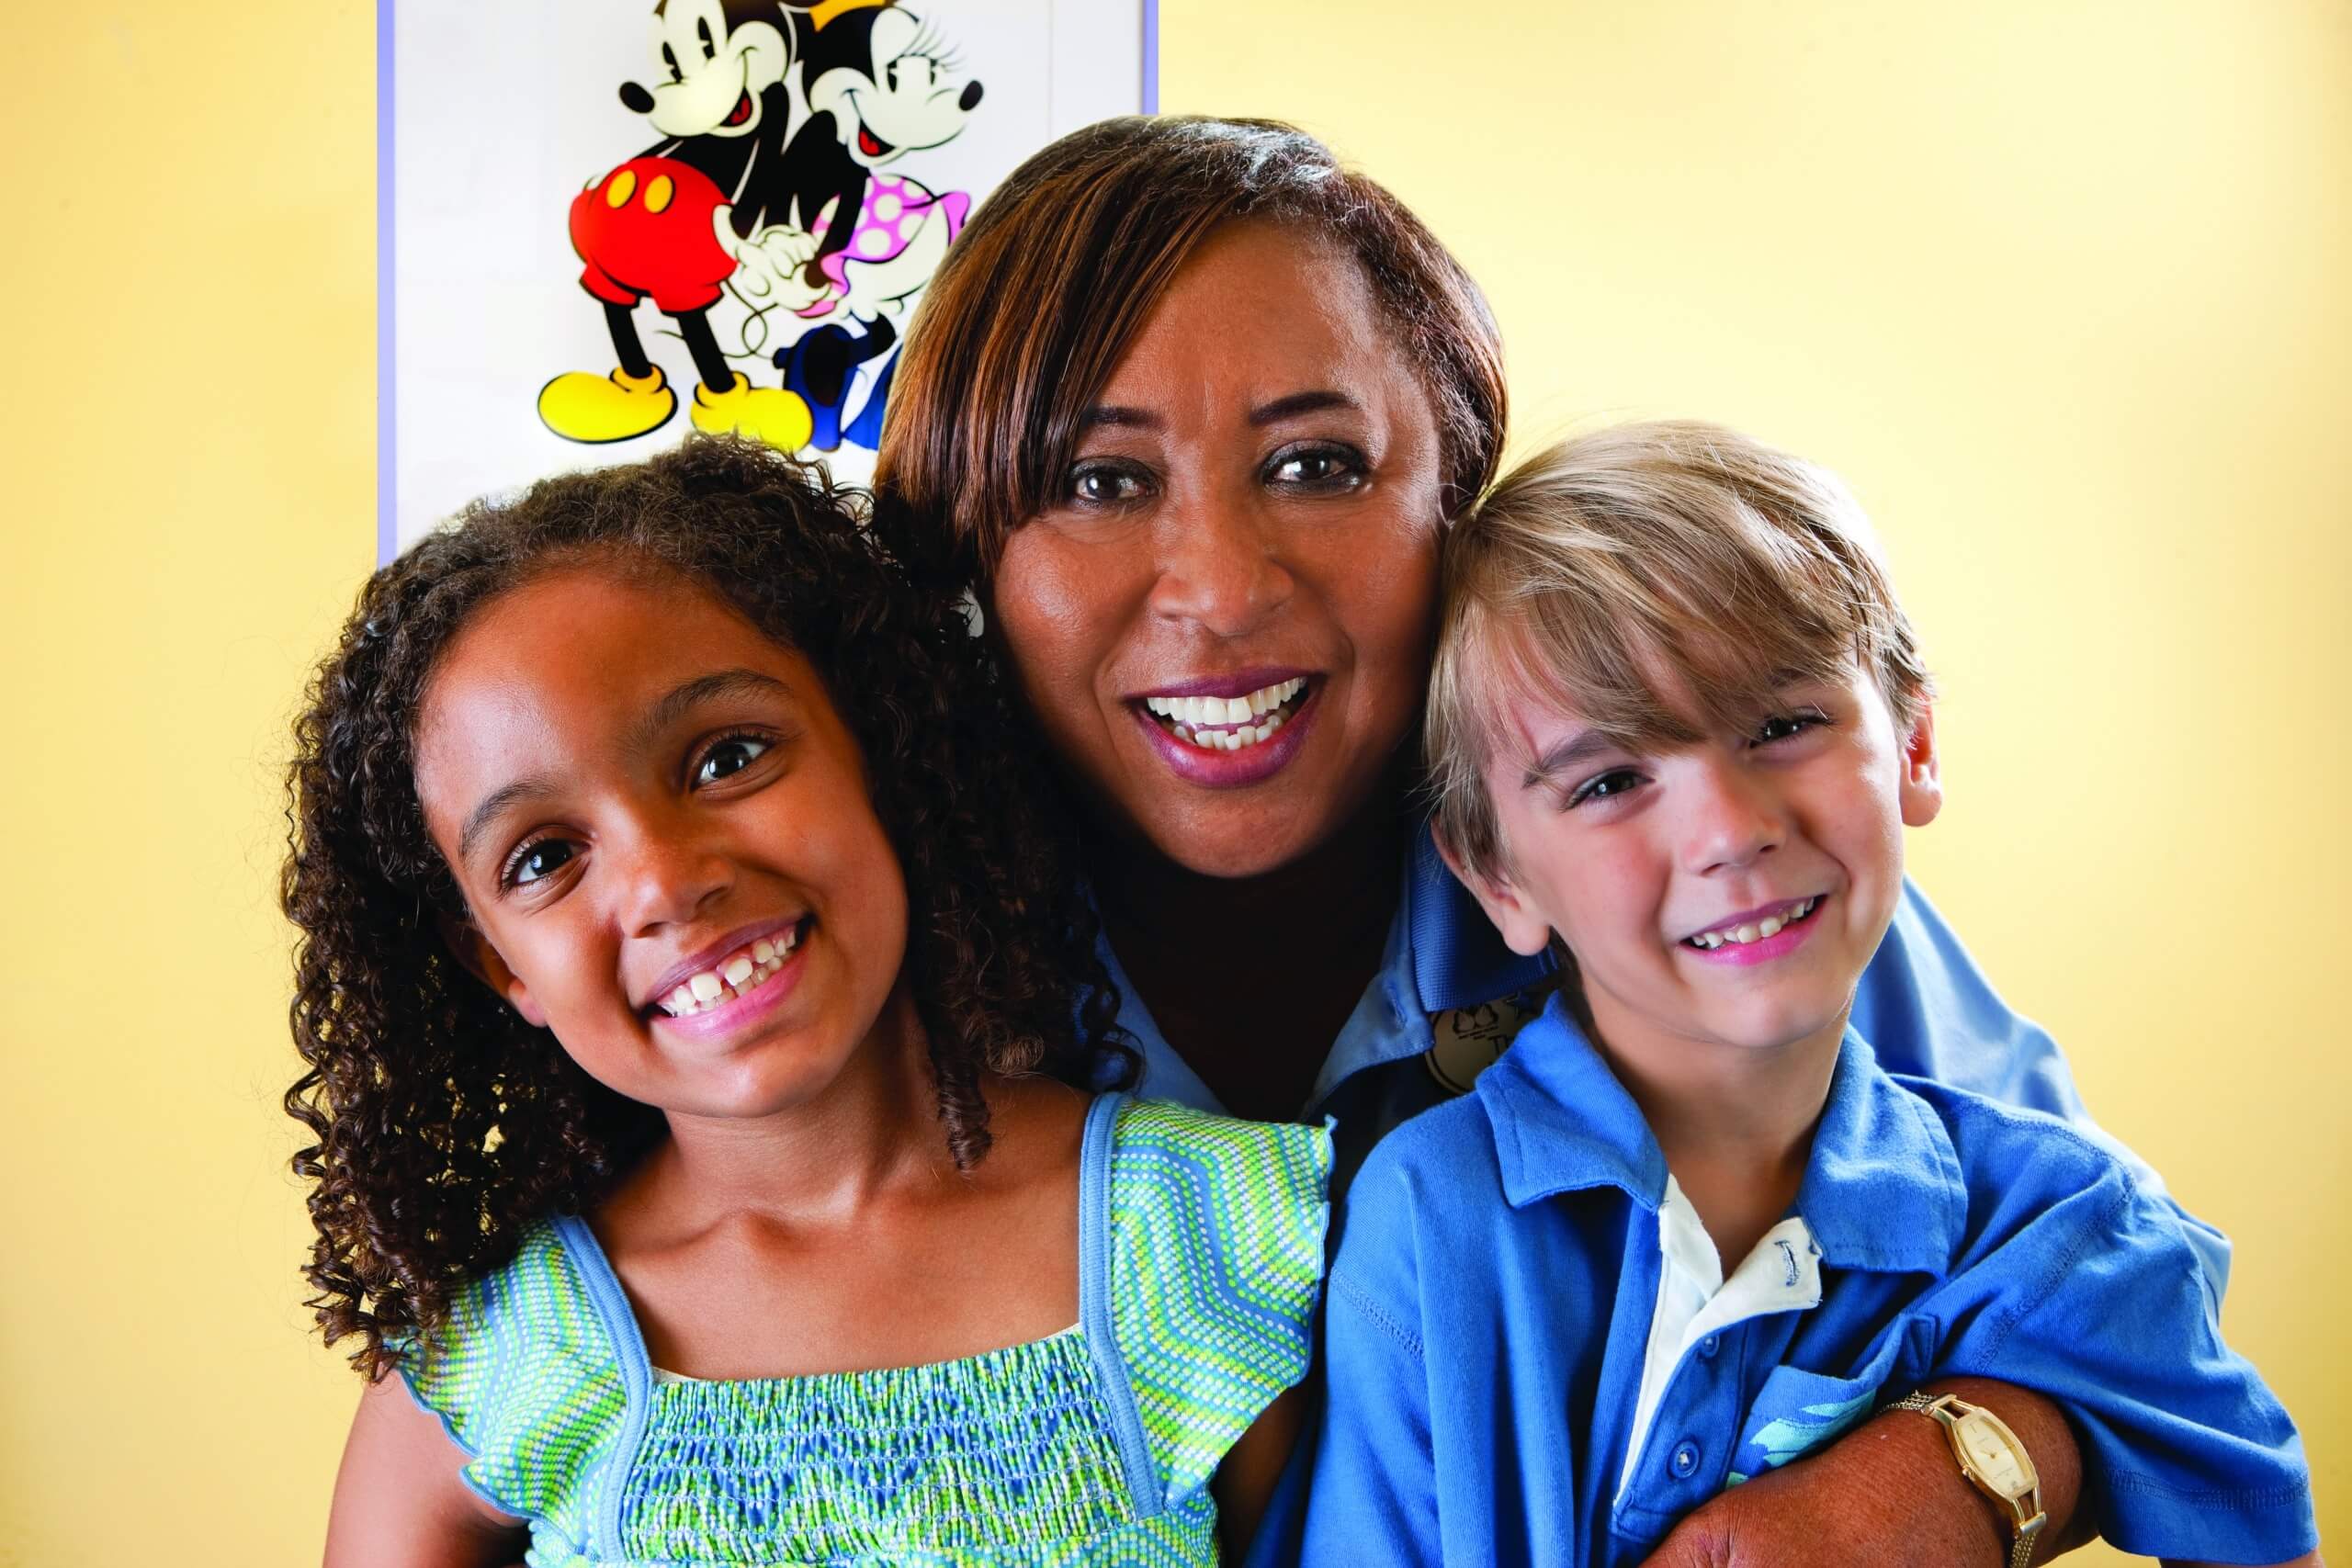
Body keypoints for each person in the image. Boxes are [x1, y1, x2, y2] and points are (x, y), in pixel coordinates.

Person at [872, 114, 2224, 1557]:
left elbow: (2120, 1271)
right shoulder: (866, 987)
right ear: (966, 553)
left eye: (1318, 465)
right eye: (1098, 481)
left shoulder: (1700, 899)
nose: (1217, 586)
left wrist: (1966, 1463)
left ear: (1456, 507)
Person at [284, 438, 1329, 1565]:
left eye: (726, 757)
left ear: (876, 748)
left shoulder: (1211, 1237)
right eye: (543, 858)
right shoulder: (498, 1357)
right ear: (499, 966)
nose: (665, 882)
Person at [1296, 423, 2320, 1567]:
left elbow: (2248, 1501)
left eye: (1783, 727)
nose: (1731, 831)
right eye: (1611, 780)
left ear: (1915, 743)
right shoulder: (1430, 1223)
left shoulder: (2059, 1219)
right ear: (1494, 876)